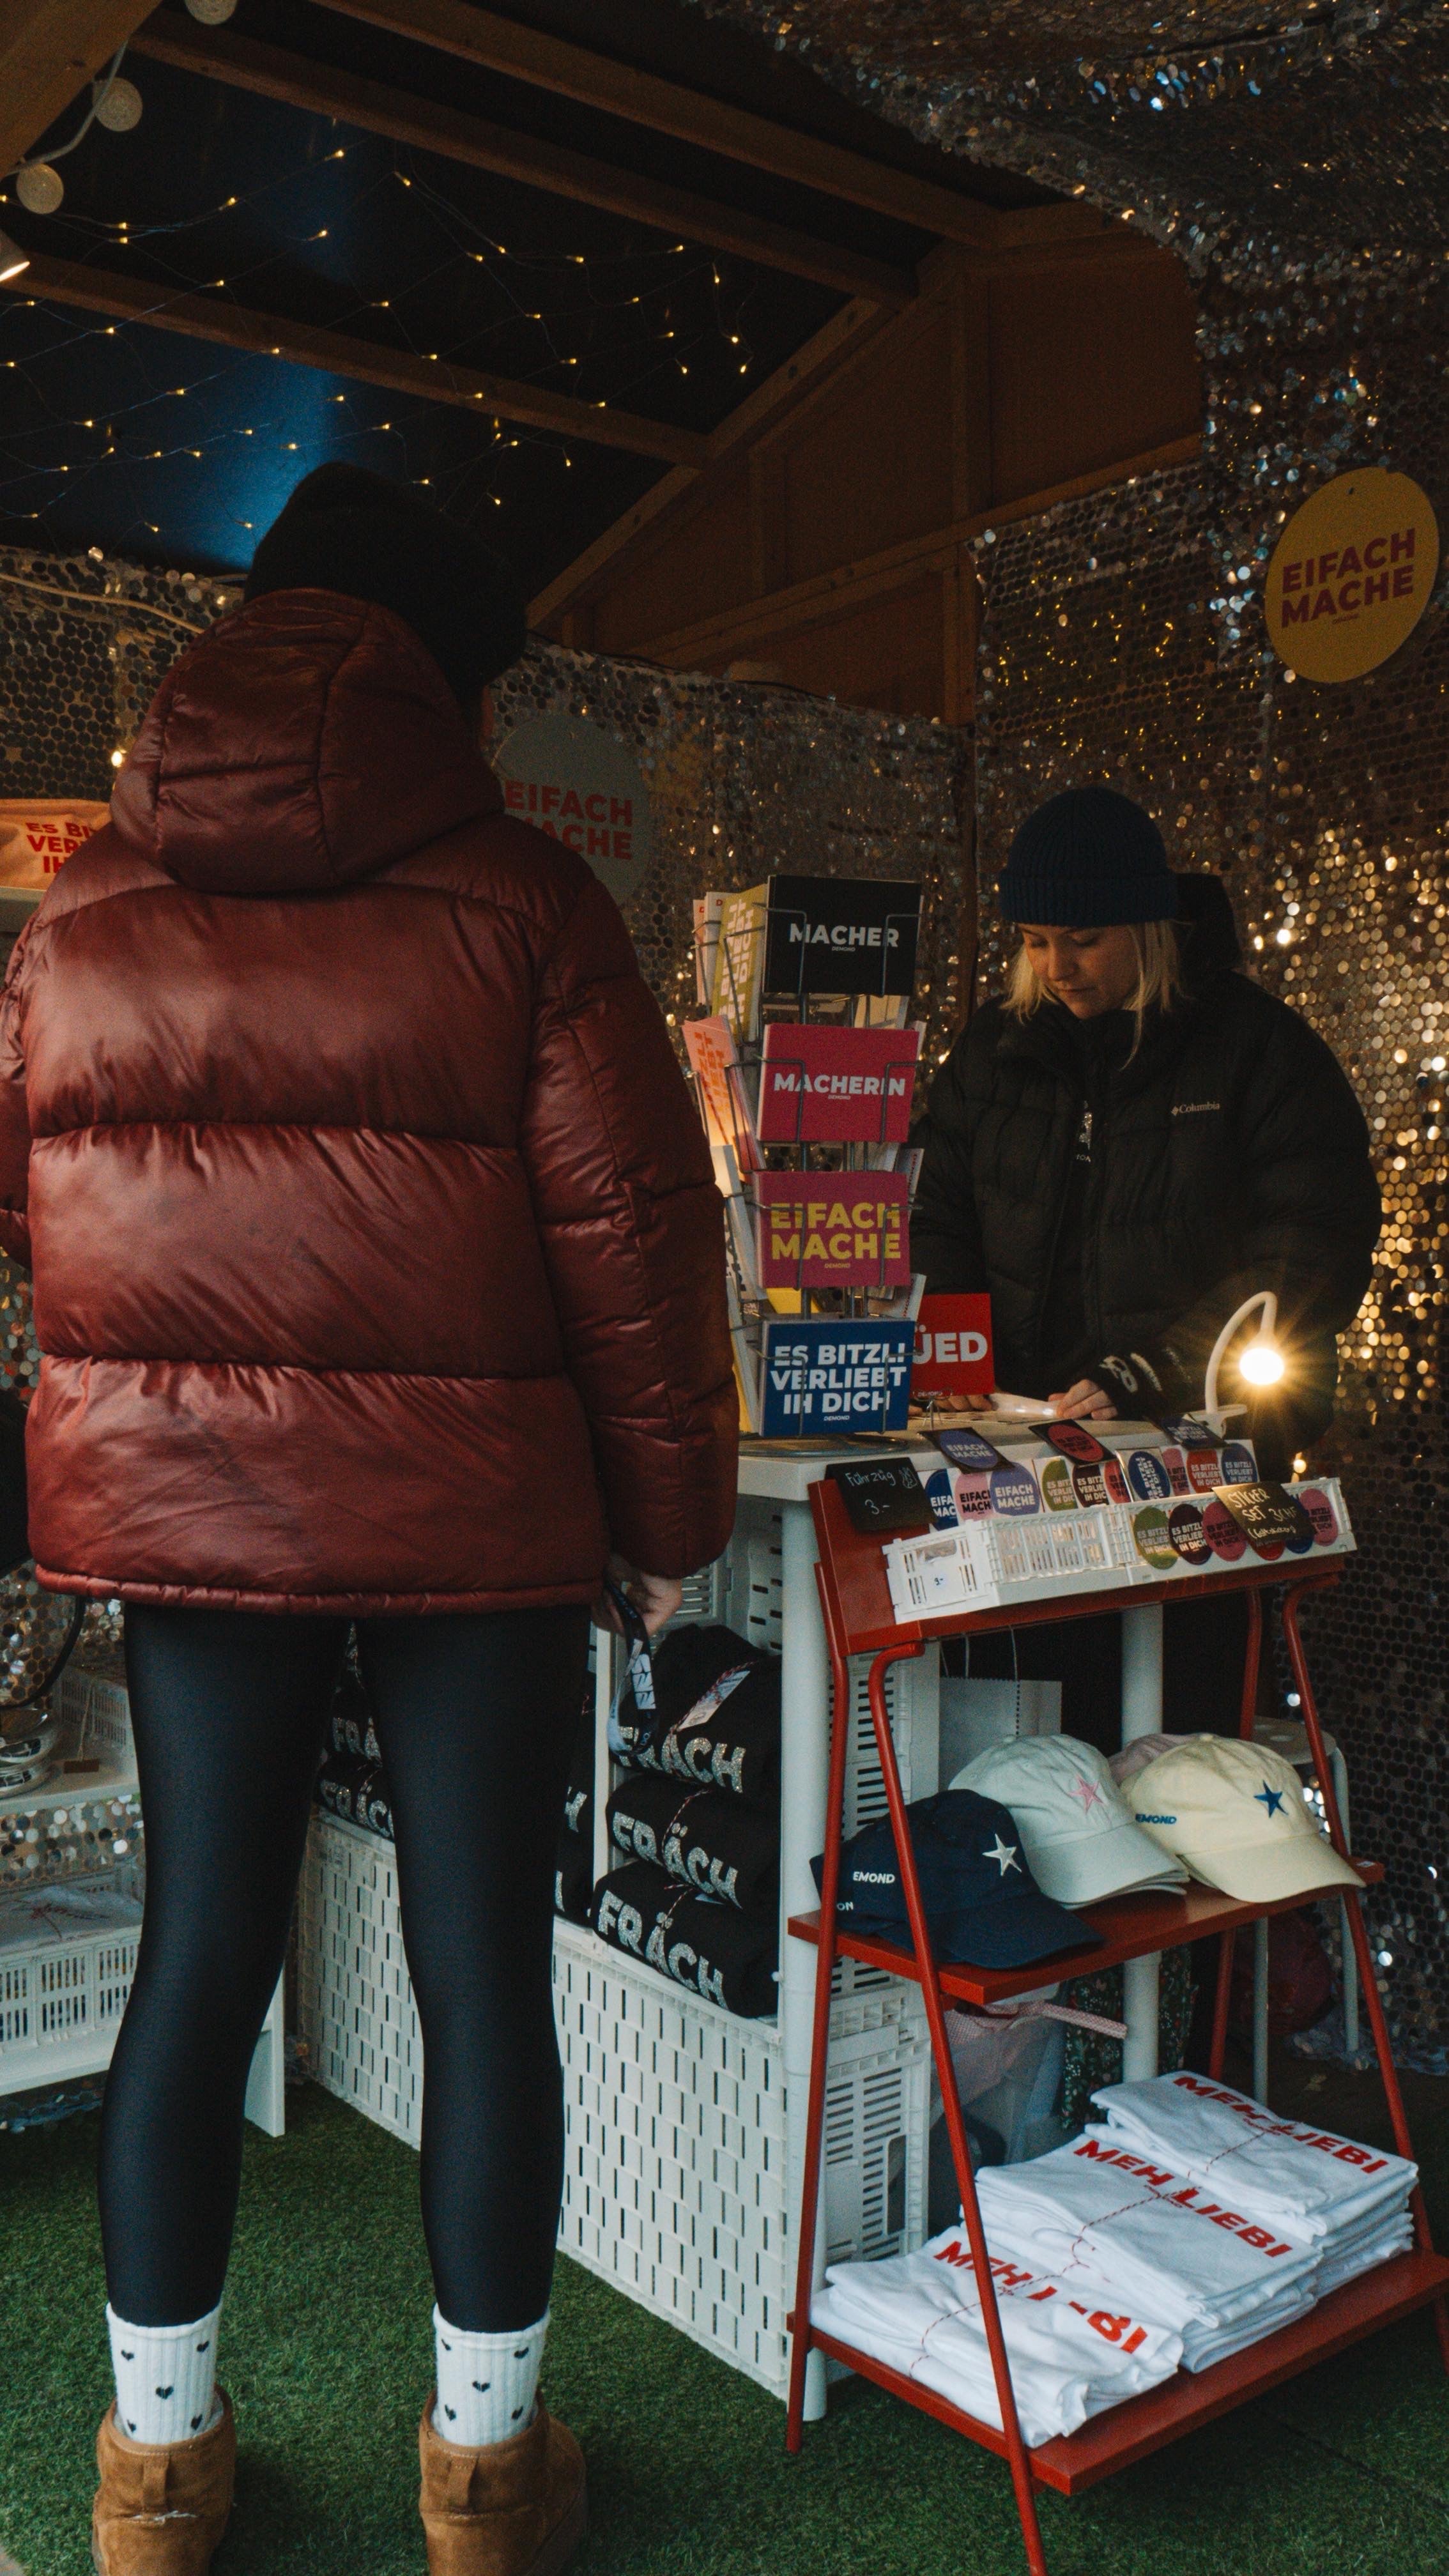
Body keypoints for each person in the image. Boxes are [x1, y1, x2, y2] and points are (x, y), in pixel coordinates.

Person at [0, 464, 737, 2576]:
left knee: (194, 1954)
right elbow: (635, 1246)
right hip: (473, 1530)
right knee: (480, 1969)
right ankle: (484, 2478)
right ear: (441, 679)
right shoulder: (528, 902)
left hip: (191, 1522)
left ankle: (157, 2475)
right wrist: (666, 1519)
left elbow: (38, 1198)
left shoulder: (82, 909)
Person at [911, 783, 1380, 1744]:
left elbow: (1314, 1249)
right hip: (1016, 1470)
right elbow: (934, 1214)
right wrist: (954, 1366)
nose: (1057, 967)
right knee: (1016, 1745)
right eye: (1035, 942)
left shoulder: (1258, 1048)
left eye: (1083, 940)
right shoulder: (994, 1048)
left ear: (1149, 927)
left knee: (1175, 1745)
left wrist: (1152, 1371)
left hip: (1195, 1473)